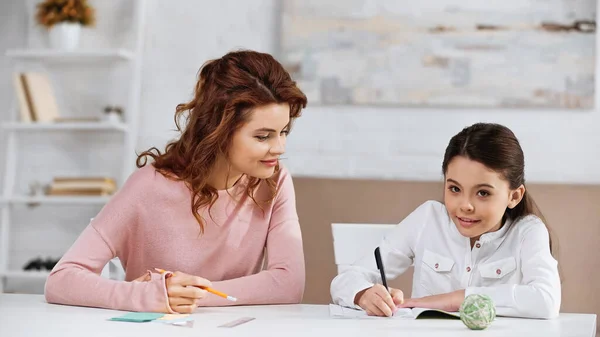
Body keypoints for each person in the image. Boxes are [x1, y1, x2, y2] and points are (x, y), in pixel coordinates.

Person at [45, 50, 308, 314]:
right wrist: (146, 295)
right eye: (263, 137)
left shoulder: (274, 181)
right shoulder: (148, 186)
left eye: (284, 131)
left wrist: (185, 296)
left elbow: (288, 284)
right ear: (219, 130)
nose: (279, 147)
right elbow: (61, 279)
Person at [330, 123, 561, 319]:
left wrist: (454, 300)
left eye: (483, 193)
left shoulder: (527, 232)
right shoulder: (427, 219)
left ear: (514, 196)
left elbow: (546, 299)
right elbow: (346, 280)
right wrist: (364, 294)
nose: (465, 205)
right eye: (454, 188)